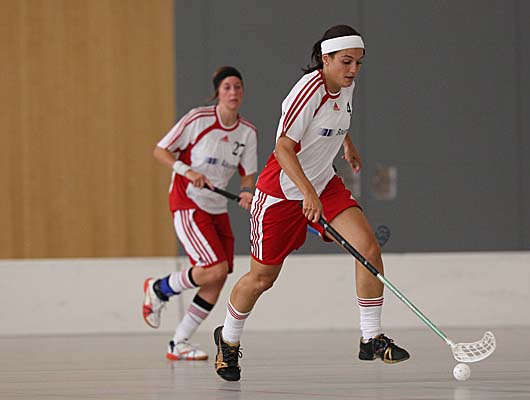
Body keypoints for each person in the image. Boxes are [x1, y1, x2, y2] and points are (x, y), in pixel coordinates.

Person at [213, 25, 409, 382]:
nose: (353, 69)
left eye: (358, 63)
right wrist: (307, 192)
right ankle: (227, 339)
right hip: (280, 193)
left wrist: (346, 143)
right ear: (325, 59)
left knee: (367, 248)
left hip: (323, 183)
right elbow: (283, 148)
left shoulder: (346, 85)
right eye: (346, 62)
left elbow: (334, 118)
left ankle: (371, 337)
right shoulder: (307, 91)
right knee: (261, 279)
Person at [143, 66, 257, 361]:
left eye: (238, 87)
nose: (233, 92)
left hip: (217, 207)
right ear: (218, 92)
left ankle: (179, 342)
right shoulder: (198, 119)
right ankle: (159, 288)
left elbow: (247, 173)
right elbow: (161, 150)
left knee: (217, 277)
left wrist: (247, 192)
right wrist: (188, 171)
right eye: (227, 87)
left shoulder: (247, 132)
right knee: (214, 268)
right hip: (189, 201)